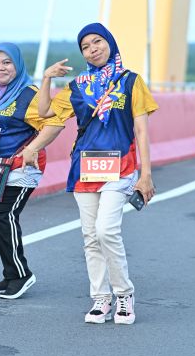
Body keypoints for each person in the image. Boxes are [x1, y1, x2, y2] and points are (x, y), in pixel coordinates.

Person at [31, 22, 159, 324]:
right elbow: (44, 111)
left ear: (110, 42)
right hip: (85, 168)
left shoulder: (131, 81)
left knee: (106, 230)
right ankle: (100, 298)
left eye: (97, 42)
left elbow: (141, 130)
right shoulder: (79, 86)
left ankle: (124, 294)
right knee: (90, 237)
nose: (92, 49)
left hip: (121, 166)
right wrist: (47, 78)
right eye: (85, 47)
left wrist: (146, 174)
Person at [0, 43, 63, 300]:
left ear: (18, 65)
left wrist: (32, 149)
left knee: (4, 214)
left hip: (21, 168)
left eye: (7, 62)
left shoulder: (29, 95)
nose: (1, 67)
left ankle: (21, 274)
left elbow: (55, 122)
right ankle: (11, 274)